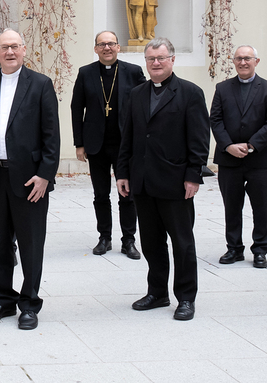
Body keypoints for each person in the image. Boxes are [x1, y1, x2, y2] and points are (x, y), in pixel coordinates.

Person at [0, 29, 59, 330]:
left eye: (14, 47)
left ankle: (29, 302)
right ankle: (4, 299)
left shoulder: (41, 84)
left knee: (31, 243)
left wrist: (45, 175)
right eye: (3, 47)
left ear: (23, 49)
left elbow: (51, 135)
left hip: (29, 179)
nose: (8, 52)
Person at [116, 37, 209, 321]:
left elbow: (199, 139)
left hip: (175, 181)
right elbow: (128, 137)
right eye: (150, 59)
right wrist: (122, 172)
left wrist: (193, 176)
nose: (155, 63)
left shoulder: (190, 93)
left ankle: (185, 298)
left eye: (161, 58)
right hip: (142, 181)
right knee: (152, 242)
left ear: (172, 59)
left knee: (182, 243)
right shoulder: (136, 94)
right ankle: (157, 292)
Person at [70, 30, 145, 260]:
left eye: (111, 43)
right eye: (102, 44)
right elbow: (76, 108)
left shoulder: (133, 72)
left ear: (118, 47)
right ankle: (105, 237)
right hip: (96, 144)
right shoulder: (86, 73)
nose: (107, 48)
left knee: (127, 194)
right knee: (100, 194)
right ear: (96, 49)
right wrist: (79, 144)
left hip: (125, 145)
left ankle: (129, 240)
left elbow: (144, 106)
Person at [210, 45, 267, 268]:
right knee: (231, 205)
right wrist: (228, 146)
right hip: (229, 159)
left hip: (261, 159)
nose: (243, 62)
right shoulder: (222, 89)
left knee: (262, 206)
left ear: (256, 61)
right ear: (234, 61)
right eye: (239, 58)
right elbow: (215, 120)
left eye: (247, 58)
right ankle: (234, 248)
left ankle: (260, 249)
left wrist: (251, 146)